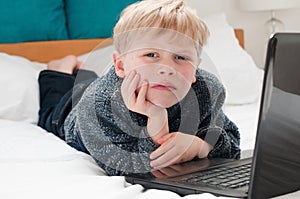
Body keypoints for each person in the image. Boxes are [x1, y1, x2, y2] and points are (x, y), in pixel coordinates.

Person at [38, 0, 240, 176]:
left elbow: (232, 141)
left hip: (110, 84)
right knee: (56, 106)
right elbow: (123, 166)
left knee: (87, 82)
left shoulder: (207, 91)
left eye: (181, 57)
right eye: (151, 55)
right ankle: (62, 68)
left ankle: (83, 73)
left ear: (196, 67)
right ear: (120, 65)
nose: (167, 69)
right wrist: (157, 122)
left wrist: (202, 146)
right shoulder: (98, 104)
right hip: (72, 113)